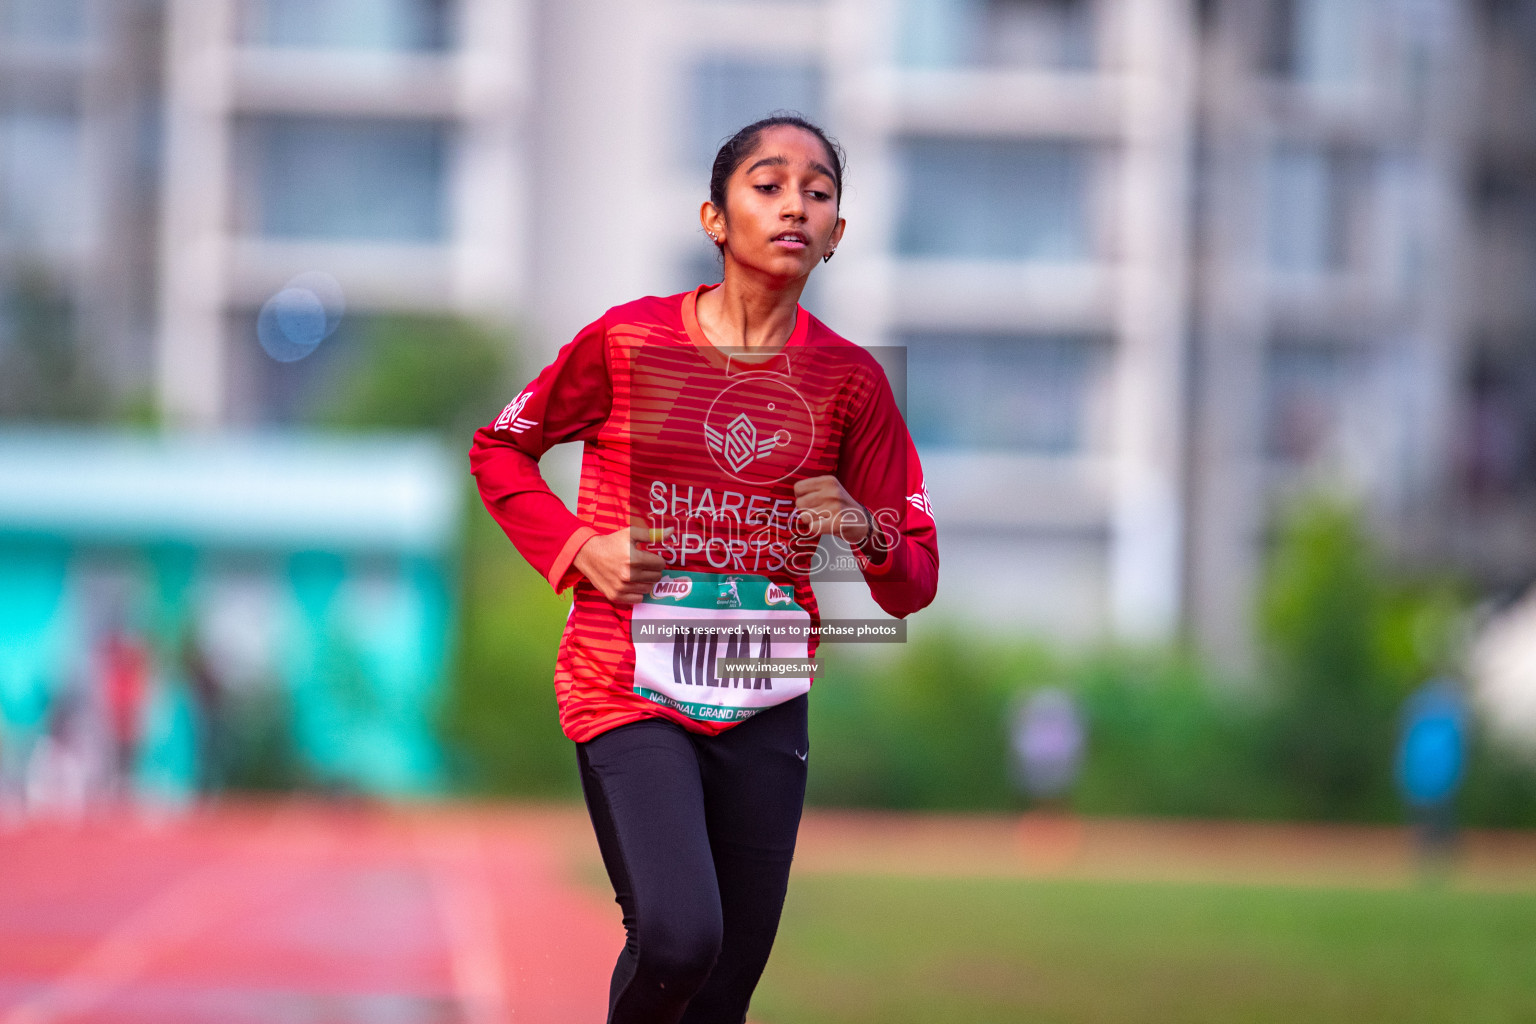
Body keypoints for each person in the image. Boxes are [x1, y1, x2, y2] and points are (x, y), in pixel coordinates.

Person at [470, 114, 938, 1024]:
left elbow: (913, 576)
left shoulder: (851, 383)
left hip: (764, 694)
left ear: (838, 234)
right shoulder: (629, 342)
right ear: (714, 218)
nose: (794, 205)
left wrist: (865, 528)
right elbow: (501, 450)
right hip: (626, 686)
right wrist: (576, 548)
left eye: (818, 191)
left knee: (724, 993)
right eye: (767, 186)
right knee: (681, 937)